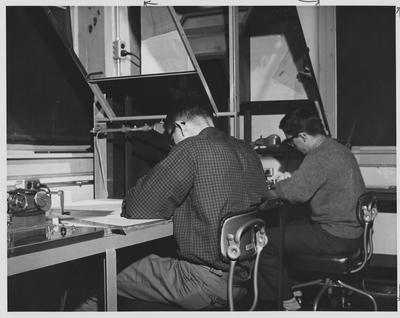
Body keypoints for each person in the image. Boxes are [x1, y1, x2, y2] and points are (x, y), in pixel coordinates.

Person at [78, 102, 268, 310]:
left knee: (99, 279)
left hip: (201, 281)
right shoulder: (246, 150)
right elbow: (257, 199)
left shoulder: (192, 147)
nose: (173, 146)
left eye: (171, 139)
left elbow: (139, 206)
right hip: (240, 279)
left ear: (180, 127)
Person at [257, 106, 366, 311]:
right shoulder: (337, 148)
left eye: (291, 140)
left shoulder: (320, 156)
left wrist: (266, 191)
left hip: (335, 236)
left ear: (304, 136)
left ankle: (285, 301)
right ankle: (292, 289)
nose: (292, 146)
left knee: (265, 241)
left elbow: (296, 192)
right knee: (290, 225)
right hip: (350, 232)